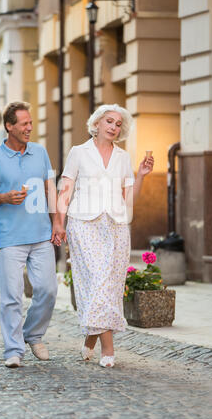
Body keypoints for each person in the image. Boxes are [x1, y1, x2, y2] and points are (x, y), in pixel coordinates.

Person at [56, 104, 154, 368]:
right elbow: (65, 190)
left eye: (118, 124)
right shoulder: (78, 152)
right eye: (109, 121)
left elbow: (129, 199)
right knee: (97, 279)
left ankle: (91, 335)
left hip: (117, 226)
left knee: (110, 284)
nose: (113, 127)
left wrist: (141, 176)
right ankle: (108, 349)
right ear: (97, 123)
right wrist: (59, 223)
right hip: (84, 223)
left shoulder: (123, 157)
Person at [0, 102, 62, 368]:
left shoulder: (40, 153)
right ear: (9, 126)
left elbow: (50, 189)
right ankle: (13, 350)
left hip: (41, 236)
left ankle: (32, 334)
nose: (29, 128)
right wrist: (3, 197)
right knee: (12, 296)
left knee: (48, 289)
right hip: (10, 238)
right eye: (24, 124)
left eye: (31, 123)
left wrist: (57, 221)